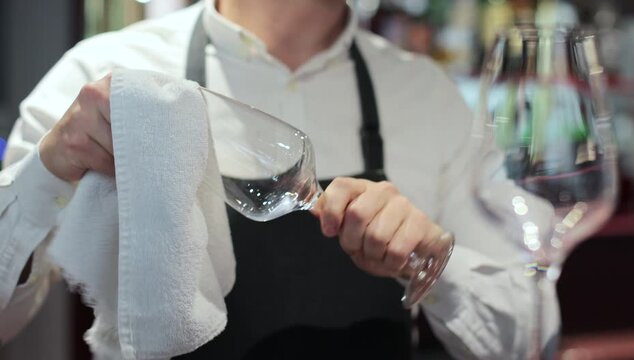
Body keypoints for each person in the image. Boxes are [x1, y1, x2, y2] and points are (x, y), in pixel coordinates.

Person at [0, 0, 559, 358]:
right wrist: (48, 169)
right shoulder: (106, 76)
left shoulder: (425, 95)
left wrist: (434, 264)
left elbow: (533, 335)